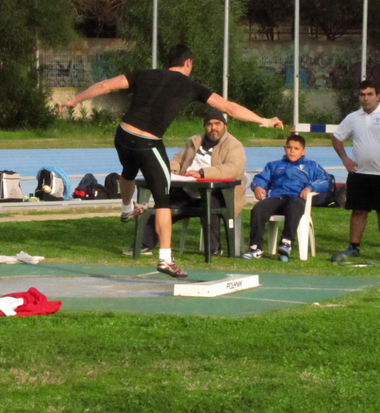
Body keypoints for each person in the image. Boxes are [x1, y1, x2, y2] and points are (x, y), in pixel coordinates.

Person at [58, 44, 283, 278]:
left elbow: (105, 86)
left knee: (128, 170)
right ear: (188, 63)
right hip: (147, 142)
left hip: (122, 135)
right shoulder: (191, 86)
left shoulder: (144, 74)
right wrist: (264, 121)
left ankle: (126, 208)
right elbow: (229, 108)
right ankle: (165, 259)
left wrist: (75, 101)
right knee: (163, 200)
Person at [128, 108, 246, 256]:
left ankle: (214, 248)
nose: (213, 128)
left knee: (211, 207)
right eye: (209, 124)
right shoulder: (194, 141)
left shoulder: (234, 145)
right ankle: (143, 244)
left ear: (225, 126)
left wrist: (203, 173)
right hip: (187, 190)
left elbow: (233, 168)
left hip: (218, 192)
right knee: (162, 206)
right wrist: (172, 170)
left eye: (217, 124)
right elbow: (178, 159)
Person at [331, 80, 380, 261]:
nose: (365, 98)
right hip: (359, 175)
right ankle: (353, 247)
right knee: (358, 211)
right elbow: (336, 138)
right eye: (362, 95)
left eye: (369, 94)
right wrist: (345, 159)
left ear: (378, 96)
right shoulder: (352, 117)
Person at [242, 134, 330, 262]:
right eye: (289, 147)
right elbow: (260, 178)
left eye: (296, 148)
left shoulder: (311, 166)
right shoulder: (274, 165)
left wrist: (310, 187)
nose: (292, 151)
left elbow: (325, 180)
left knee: (294, 205)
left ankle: (286, 243)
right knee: (258, 208)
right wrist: (258, 187)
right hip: (276, 198)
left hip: (295, 198)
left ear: (303, 151)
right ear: (284, 148)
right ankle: (256, 248)